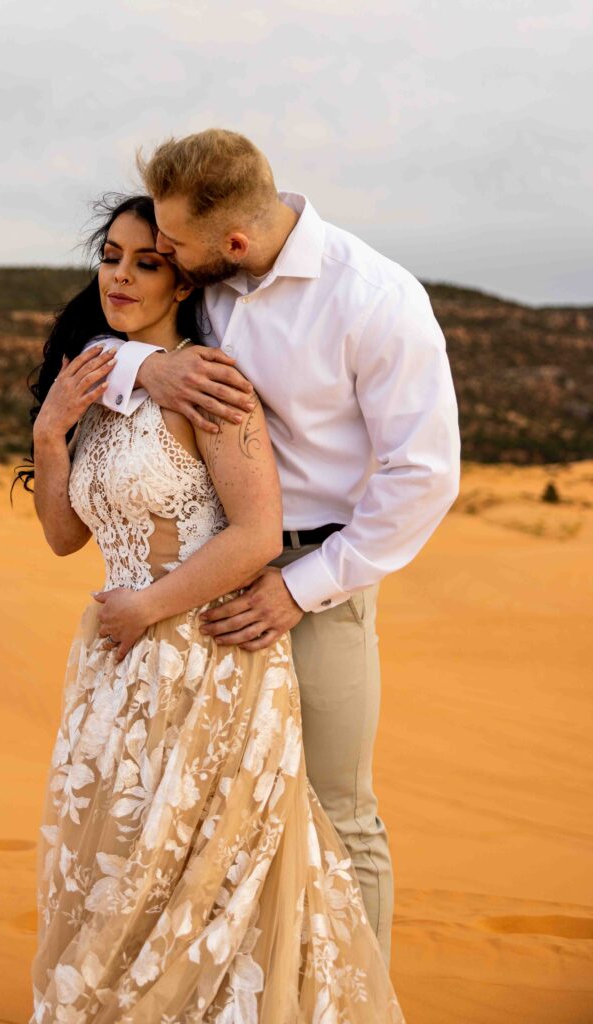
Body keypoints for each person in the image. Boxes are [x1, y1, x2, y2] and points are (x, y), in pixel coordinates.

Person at [18, 194, 405, 1022]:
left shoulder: (213, 384)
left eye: (147, 262)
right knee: (120, 870)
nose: (120, 275)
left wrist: (147, 608)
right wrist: (52, 434)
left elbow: (258, 533)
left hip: (206, 658)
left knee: (200, 878)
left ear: (184, 281)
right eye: (111, 257)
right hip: (116, 674)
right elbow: (60, 537)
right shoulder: (96, 380)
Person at [98, 129, 462, 968]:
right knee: (213, 813)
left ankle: (359, 1006)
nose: (162, 260)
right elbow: (98, 334)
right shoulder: (209, 277)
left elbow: (424, 477)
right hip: (203, 581)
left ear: (232, 241)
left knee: (339, 813)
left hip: (319, 582)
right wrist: (138, 370)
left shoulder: (375, 298)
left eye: (173, 247)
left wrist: (302, 588)